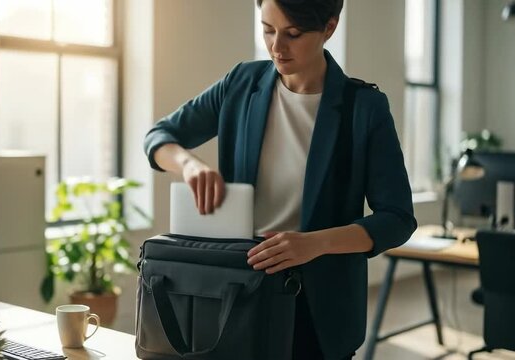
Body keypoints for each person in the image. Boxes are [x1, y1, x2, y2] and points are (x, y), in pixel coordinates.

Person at [143, 0, 417, 358]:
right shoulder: (240, 84)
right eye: (267, 29)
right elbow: (159, 136)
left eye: (293, 34)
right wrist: (189, 165)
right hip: (237, 291)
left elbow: (397, 218)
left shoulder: (364, 107)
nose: (276, 46)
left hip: (318, 309)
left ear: (329, 28)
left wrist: (315, 243)